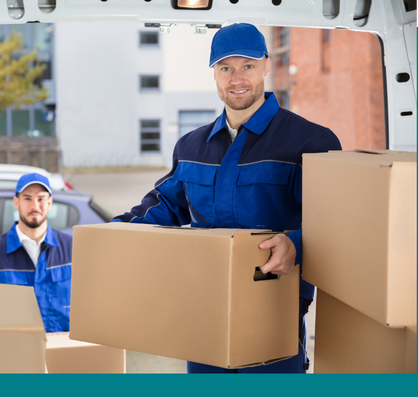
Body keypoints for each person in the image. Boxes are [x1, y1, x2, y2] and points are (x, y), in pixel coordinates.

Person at [112, 23, 342, 373]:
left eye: (247, 66)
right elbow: (165, 207)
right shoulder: (190, 147)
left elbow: (335, 224)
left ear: (267, 66)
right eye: (225, 68)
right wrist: (113, 235)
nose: (237, 79)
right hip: (205, 311)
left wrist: (296, 245)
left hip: (275, 311)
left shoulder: (309, 142)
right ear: (214, 74)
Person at [0, 173, 72, 333]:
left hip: (63, 352)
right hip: (14, 352)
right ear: (16, 202)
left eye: (41, 199)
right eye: (27, 198)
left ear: (50, 202)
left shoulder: (73, 249)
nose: (35, 206)